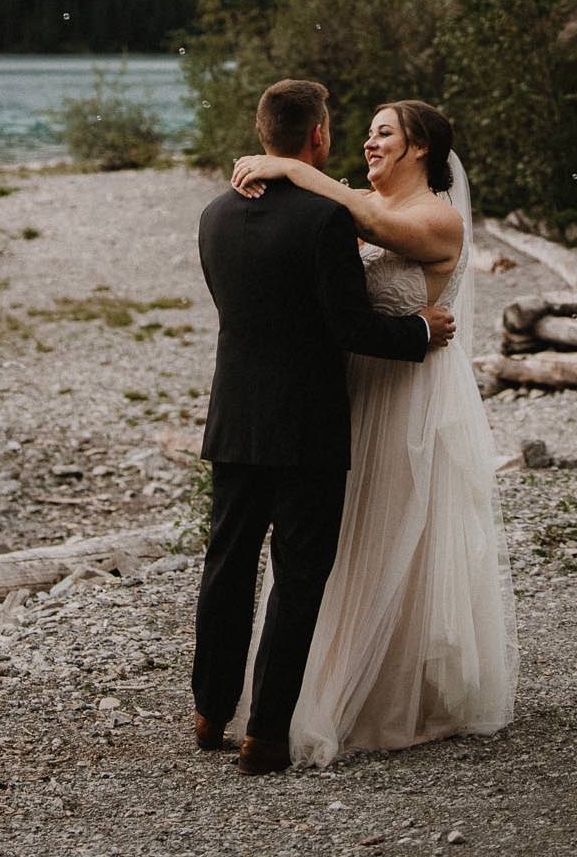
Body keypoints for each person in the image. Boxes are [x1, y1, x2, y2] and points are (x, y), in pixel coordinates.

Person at [229, 97, 518, 763]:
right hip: (348, 393)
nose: (368, 143)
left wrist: (291, 168)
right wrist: (262, 186)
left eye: (383, 133)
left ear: (419, 147)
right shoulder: (354, 203)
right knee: (330, 546)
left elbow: (372, 223)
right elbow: (323, 232)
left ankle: (390, 693)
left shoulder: (437, 219)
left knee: (390, 531)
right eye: (364, 133)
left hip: (408, 400)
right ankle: (315, 686)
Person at [191, 79, 455, 775]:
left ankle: (210, 709)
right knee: (298, 574)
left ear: (261, 133)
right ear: (318, 138)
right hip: (307, 421)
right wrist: (418, 331)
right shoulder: (324, 220)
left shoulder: (215, 214)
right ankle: (265, 735)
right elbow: (346, 326)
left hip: (234, 416)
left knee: (226, 563)